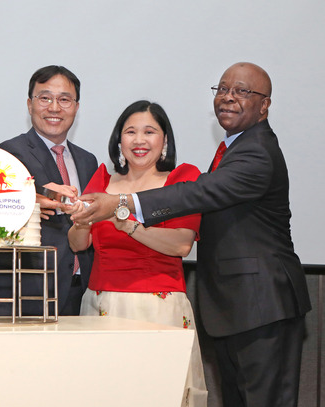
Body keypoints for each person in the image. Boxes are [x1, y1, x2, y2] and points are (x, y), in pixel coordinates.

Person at [73, 62, 311, 407]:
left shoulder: (256, 152)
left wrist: (122, 202)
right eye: (223, 89)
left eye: (242, 91)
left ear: (265, 105)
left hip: (262, 304)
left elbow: (195, 194)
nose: (228, 98)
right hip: (238, 306)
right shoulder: (233, 149)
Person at [68, 100, 207, 407]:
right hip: (101, 303)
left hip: (158, 308)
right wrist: (80, 219)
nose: (139, 140)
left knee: (159, 395)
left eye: (149, 132)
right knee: (102, 394)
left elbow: (181, 245)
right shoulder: (104, 178)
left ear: (165, 140)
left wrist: (126, 223)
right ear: (120, 140)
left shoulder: (182, 177)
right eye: (130, 132)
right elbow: (79, 244)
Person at [0, 65, 98, 316]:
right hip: (29, 289)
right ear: (30, 105)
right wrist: (45, 196)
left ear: (76, 107)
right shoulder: (9, 152)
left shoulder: (88, 161)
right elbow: (4, 197)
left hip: (81, 288)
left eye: (64, 99)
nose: (54, 108)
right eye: (45, 98)